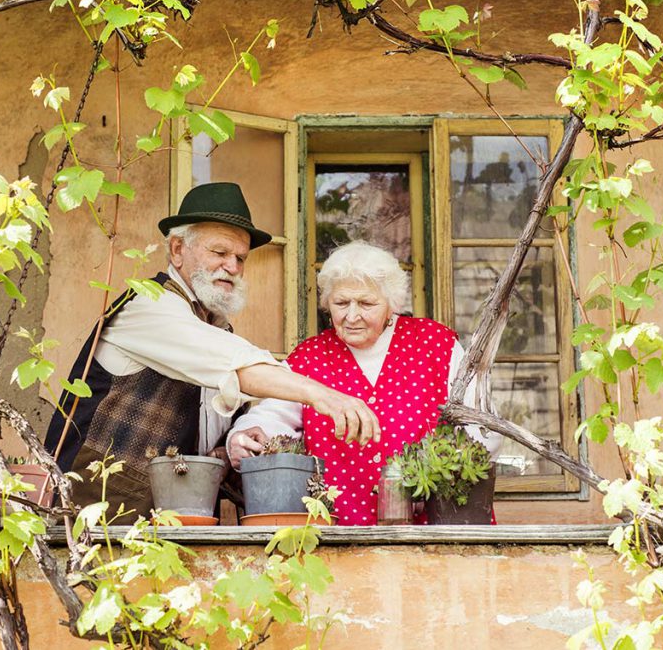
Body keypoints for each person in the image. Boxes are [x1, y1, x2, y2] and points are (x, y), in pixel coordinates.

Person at [43, 182, 379, 516]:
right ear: (177, 250)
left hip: (162, 530)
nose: (232, 267)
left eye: (240, 258)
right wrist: (324, 396)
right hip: (92, 519)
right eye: (219, 253)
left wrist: (227, 450)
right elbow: (237, 364)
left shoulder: (211, 326)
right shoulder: (150, 304)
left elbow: (200, 428)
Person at [227, 240, 502, 526]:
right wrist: (245, 436)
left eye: (367, 303)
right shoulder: (309, 358)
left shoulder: (437, 345)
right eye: (341, 303)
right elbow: (270, 418)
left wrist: (439, 474)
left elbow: (485, 429)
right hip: (337, 537)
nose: (352, 315)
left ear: (392, 305)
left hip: (433, 534)